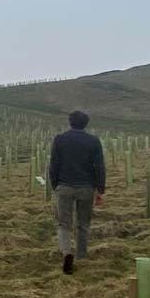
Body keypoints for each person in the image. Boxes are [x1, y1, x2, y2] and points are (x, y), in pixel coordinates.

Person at [48, 110, 106, 275]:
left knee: (63, 223)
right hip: (86, 187)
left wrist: (55, 184)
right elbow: (99, 166)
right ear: (86, 124)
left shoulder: (60, 139)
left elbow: (54, 164)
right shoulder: (94, 141)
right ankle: (81, 255)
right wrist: (100, 189)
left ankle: (66, 251)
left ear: (70, 122)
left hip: (64, 186)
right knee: (83, 223)